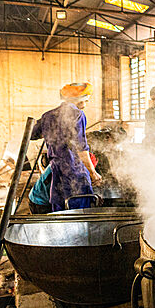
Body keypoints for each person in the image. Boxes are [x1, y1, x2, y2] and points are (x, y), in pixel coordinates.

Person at [31, 82, 103, 212]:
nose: (86, 103)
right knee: (78, 211)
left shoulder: (48, 116)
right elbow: (81, 149)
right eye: (86, 99)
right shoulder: (78, 114)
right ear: (79, 99)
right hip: (74, 171)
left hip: (57, 170)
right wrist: (93, 173)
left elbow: (31, 134)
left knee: (60, 211)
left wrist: (51, 129)